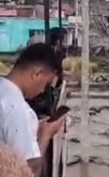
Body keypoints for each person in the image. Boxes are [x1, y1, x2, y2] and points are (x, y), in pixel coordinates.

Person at [0, 43, 65, 174]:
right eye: (46, 84)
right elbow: (28, 169)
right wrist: (45, 135)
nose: (43, 91)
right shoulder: (19, 110)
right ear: (37, 73)